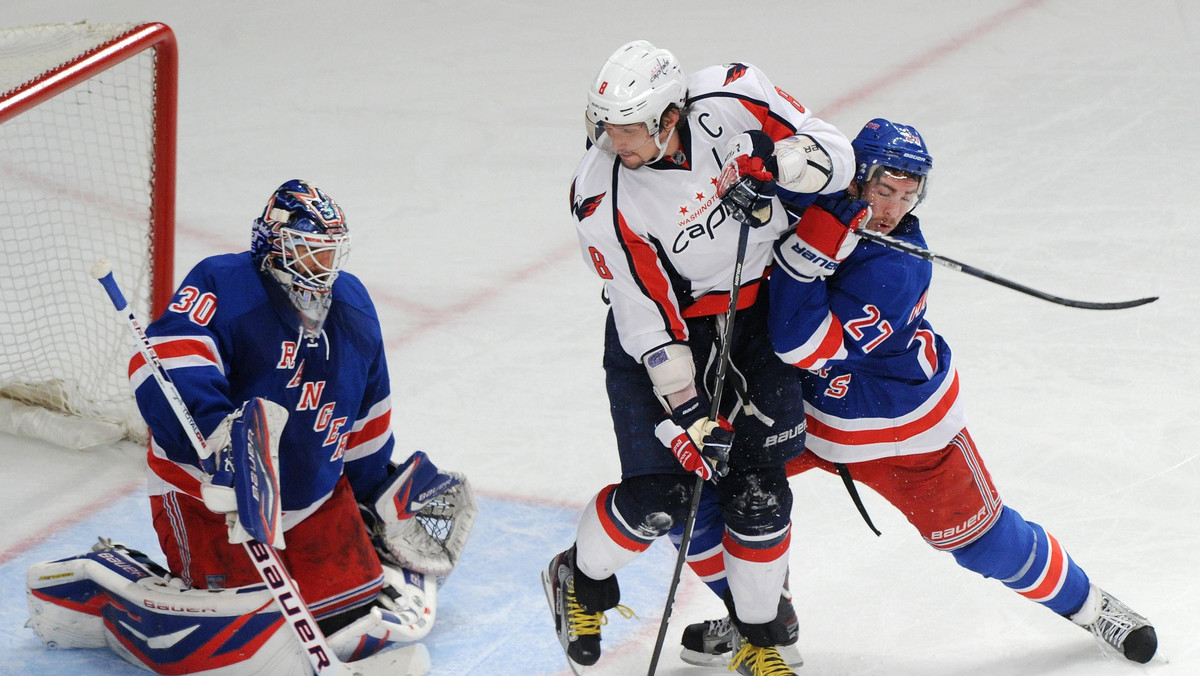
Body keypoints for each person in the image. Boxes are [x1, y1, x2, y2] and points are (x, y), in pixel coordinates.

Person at [674, 119, 1158, 669]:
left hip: (897, 429)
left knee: (983, 541)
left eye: (908, 197)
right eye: (884, 192)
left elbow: (797, 342)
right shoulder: (824, 195)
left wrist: (806, 254)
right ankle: (760, 618)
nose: (894, 211)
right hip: (803, 414)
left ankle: (1094, 609)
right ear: (855, 179)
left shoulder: (897, 269)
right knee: (691, 494)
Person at [26, 179, 476, 675]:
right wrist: (219, 438)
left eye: (329, 256)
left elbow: (367, 416)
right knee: (248, 629)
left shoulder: (352, 307)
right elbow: (170, 362)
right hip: (210, 497)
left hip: (312, 498)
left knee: (355, 612)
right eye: (307, 254)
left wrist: (376, 493)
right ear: (272, 245)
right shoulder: (226, 283)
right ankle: (111, 584)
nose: (320, 271)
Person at [542, 40, 855, 676]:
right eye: (605, 125)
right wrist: (687, 410)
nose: (612, 140)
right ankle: (579, 578)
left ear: (668, 117)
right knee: (664, 498)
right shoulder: (601, 193)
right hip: (669, 338)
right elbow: (644, 313)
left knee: (761, 493)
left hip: (755, 319)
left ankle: (758, 642)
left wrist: (783, 170)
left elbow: (838, 155)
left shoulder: (734, 93)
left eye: (627, 127)